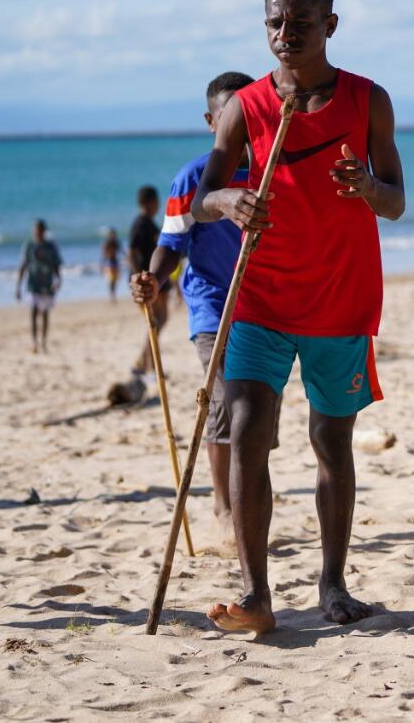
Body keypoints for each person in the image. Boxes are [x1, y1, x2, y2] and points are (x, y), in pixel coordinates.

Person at [191, 0, 405, 633]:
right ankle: (256, 592)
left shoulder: (367, 99)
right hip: (261, 298)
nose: (286, 34)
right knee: (250, 430)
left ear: (329, 26)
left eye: (302, 23)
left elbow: (397, 199)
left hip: (340, 300)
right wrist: (228, 200)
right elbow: (199, 200)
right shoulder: (245, 106)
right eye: (276, 22)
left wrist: (366, 187)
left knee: (329, 441)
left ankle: (333, 582)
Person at [131, 71, 280, 555]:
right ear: (212, 121)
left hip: (265, 307)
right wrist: (153, 279)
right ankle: (223, 507)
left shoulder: (270, 168)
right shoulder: (193, 179)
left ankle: (247, 502)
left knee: (254, 415)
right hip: (212, 307)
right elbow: (170, 244)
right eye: (226, 119)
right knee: (226, 404)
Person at [129, 186, 168, 376]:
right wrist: (139, 279)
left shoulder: (150, 223)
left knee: (158, 321)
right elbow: (131, 253)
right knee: (156, 322)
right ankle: (143, 363)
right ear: (150, 202)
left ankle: (146, 363)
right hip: (147, 281)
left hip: (156, 280)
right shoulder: (141, 224)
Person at [15, 219, 62, 354]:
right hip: (33, 284)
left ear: (44, 231)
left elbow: (56, 264)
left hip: (47, 284)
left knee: (45, 314)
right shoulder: (29, 245)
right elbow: (23, 266)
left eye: (40, 229)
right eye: (36, 229)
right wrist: (18, 286)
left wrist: (58, 279)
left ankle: (44, 342)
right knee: (33, 312)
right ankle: (34, 342)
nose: (38, 232)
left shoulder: (51, 246)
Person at [101, 228, 121, 302]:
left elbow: (121, 251)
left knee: (115, 280)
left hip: (115, 262)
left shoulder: (116, 242)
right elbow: (103, 255)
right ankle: (112, 295)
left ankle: (113, 295)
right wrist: (102, 265)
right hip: (109, 262)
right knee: (111, 280)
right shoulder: (107, 243)